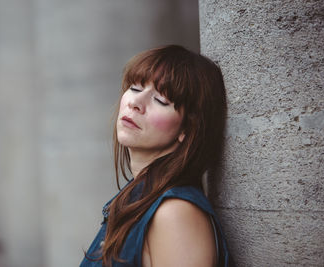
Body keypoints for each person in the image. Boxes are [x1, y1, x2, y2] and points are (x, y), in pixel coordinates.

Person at [80, 45, 232, 267]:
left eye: (161, 100)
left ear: (187, 129)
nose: (135, 103)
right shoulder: (137, 197)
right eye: (135, 87)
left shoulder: (175, 213)